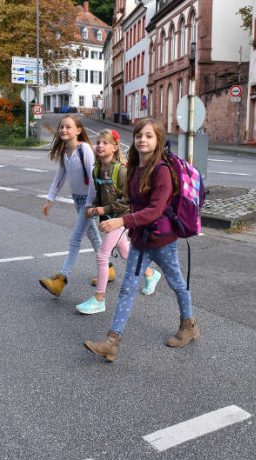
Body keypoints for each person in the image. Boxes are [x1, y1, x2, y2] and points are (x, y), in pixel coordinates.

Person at [83, 118, 197, 363]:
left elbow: (156, 209)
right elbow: (132, 202)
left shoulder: (162, 170)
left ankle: (188, 325)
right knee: (127, 288)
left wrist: (121, 222)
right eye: (138, 136)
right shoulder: (134, 167)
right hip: (140, 239)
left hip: (162, 239)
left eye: (148, 136)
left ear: (158, 141)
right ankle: (112, 342)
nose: (142, 140)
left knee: (177, 283)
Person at [76, 129, 161, 315]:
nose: (100, 146)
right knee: (125, 253)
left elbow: (128, 200)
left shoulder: (121, 170)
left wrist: (104, 210)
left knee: (102, 254)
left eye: (105, 143)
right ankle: (151, 274)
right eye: (98, 142)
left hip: (122, 218)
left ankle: (99, 299)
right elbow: (99, 194)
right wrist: (94, 208)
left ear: (114, 148)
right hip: (109, 218)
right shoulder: (97, 169)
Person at [39, 114, 102, 297]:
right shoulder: (64, 152)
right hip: (78, 199)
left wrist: (90, 206)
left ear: (78, 131)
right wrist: (50, 200)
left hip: (89, 201)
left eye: (68, 127)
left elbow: (93, 180)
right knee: (94, 237)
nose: (64, 130)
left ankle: (61, 280)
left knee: (75, 239)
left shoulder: (85, 150)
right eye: (62, 127)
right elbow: (58, 179)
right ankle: (109, 269)